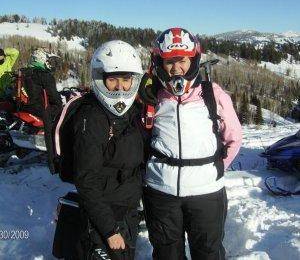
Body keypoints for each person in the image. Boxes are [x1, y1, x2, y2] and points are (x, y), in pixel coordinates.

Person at [139, 27, 242, 260]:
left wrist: (213, 168)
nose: (176, 68)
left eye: (182, 60)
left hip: (206, 193)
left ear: (193, 60)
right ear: (159, 63)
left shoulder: (212, 95)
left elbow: (233, 138)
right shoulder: (152, 98)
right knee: (166, 254)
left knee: (208, 253)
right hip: (161, 192)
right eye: (168, 62)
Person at [72, 40, 144, 259]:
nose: (120, 87)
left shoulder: (132, 113)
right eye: (112, 79)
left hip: (127, 209)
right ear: (100, 79)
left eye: (126, 79)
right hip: (106, 217)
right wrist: (109, 229)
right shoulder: (92, 117)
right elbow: (86, 179)